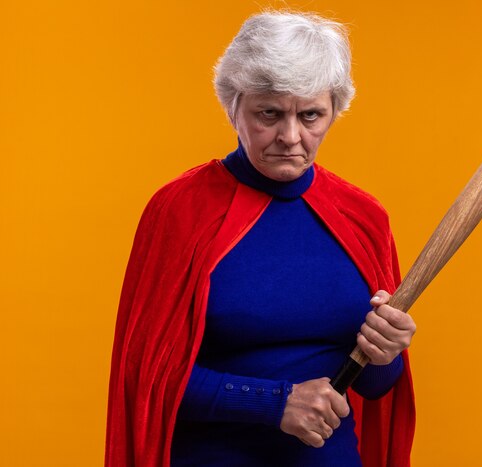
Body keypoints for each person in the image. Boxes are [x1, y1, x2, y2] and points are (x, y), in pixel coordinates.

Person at [106, 11, 416, 467]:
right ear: (233, 104)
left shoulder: (364, 217)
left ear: (335, 109)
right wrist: (273, 402)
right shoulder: (179, 210)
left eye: (311, 115)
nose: (291, 137)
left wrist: (385, 353)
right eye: (269, 113)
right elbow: (148, 377)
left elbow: (374, 386)